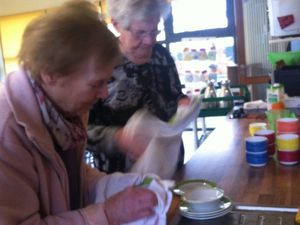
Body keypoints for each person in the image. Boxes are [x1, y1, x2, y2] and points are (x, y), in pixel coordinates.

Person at [0, 1, 165, 224]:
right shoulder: (6, 133)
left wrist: (120, 184)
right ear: (51, 74)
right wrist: (107, 213)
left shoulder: (62, 112)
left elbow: (69, 178)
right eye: (96, 84)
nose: (104, 94)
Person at [87, 0, 190, 173]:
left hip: (170, 168)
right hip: (121, 181)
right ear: (116, 24)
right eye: (140, 32)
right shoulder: (99, 63)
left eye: (154, 30)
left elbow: (174, 95)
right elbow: (79, 132)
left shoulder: (161, 55)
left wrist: (183, 103)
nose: (149, 41)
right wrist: (118, 138)